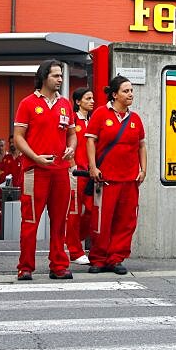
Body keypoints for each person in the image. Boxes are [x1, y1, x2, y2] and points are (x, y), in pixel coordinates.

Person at [13, 59, 77, 280]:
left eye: (61, 76)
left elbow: (71, 133)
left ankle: (59, 265)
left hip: (60, 171)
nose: (60, 79)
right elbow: (18, 138)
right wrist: (35, 157)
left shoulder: (66, 104)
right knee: (30, 220)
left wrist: (71, 148)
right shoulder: (28, 103)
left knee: (60, 221)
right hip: (34, 171)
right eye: (55, 76)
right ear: (43, 77)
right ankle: (25, 267)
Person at [86, 77, 145, 275]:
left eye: (131, 91)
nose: (130, 94)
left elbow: (142, 145)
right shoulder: (101, 114)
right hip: (106, 179)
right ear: (114, 94)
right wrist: (93, 167)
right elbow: (91, 142)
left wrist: (143, 169)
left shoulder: (135, 118)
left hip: (129, 180)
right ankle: (98, 258)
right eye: (126, 91)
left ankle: (116, 258)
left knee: (126, 222)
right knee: (102, 221)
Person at [67, 87, 95, 265]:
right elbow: (67, 143)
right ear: (78, 102)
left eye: (92, 98)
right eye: (88, 98)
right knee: (74, 212)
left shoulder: (93, 121)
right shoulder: (73, 120)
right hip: (76, 172)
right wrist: (72, 166)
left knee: (91, 210)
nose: (92, 101)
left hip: (91, 173)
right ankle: (74, 250)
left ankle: (74, 239)